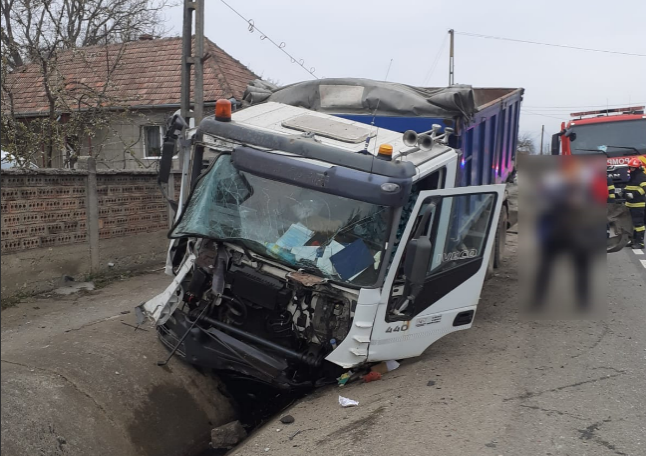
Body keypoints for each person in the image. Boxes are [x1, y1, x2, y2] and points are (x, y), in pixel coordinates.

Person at [624, 157, 646, 249]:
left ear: (638, 168)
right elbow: (629, 187)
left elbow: (644, 188)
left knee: (638, 224)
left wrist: (633, 194)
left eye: (633, 168)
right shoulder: (632, 176)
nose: (631, 169)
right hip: (629, 204)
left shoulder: (641, 176)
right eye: (630, 167)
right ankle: (633, 240)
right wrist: (623, 192)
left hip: (638, 205)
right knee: (631, 224)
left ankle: (640, 242)